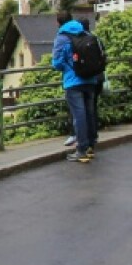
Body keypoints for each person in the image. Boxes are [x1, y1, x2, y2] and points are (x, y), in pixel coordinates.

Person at [51, 11, 99, 163]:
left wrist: (66, 66)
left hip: (73, 81)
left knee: (79, 116)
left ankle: (81, 150)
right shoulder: (84, 32)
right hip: (90, 78)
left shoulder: (62, 37)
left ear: (58, 23)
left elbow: (57, 63)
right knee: (90, 113)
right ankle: (91, 146)